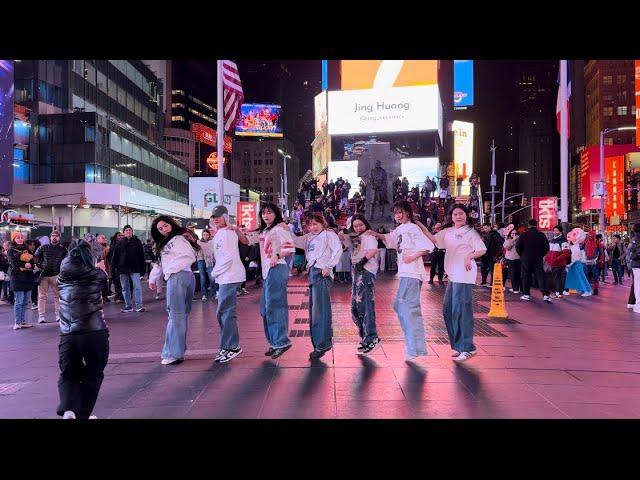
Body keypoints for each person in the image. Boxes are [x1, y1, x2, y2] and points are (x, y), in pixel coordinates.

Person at [367, 200, 434, 361]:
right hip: (405, 273)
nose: (397, 215)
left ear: (408, 213)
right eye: (396, 213)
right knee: (400, 306)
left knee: (408, 309)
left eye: (400, 212)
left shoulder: (413, 228)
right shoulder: (401, 229)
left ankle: (415, 349)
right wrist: (374, 233)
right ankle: (415, 347)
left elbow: (428, 245)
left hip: (412, 273)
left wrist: (413, 256)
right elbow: (389, 239)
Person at [420, 203, 486, 362]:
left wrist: (469, 256)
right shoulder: (448, 232)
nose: (458, 216)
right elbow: (435, 240)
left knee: (461, 310)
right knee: (448, 310)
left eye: (461, 213)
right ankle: (459, 345)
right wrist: (421, 226)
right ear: (451, 216)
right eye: (455, 214)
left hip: (464, 274)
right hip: (453, 275)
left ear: (466, 215)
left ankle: (468, 347)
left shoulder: (470, 232)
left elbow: (482, 249)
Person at [56, 240, 109, 419]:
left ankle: (69, 409)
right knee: (93, 374)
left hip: (68, 334)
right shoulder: (97, 274)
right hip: (94, 331)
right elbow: (105, 288)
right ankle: (83, 415)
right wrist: (100, 268)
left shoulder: (61, 277)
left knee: (68, 373)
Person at [244, 203, 295, 359]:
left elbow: (290, 248)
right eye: (264, 213)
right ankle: (274, 342)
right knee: (265, 308)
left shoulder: (280, 229)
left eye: (270, 213)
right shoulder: (265, 231)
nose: (266, 215)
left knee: (275, 305)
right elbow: (247, 240)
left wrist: (277, 256)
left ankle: (281, 341)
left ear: (276, 214)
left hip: (277, 269)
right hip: (267, 272)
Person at [149, 216, 200, 365]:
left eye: (165, 226)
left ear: (171, 224)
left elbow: (188, 256)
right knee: (180, 316)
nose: (164, 230)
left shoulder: (177, 240)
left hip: (178, 277)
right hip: (184, 276)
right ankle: (177, 351)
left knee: (176, 316)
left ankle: (173, 353)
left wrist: (169, 271)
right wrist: (154, 278)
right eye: (160, 228)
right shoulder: (173, 240)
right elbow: (160, 263)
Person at [293, 213, 342, 360]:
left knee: (320, 311)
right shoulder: (308, 237)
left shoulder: (328, 235)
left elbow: (338, 249)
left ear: (323, 223)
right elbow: (293, 240)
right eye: (310, 225)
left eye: (316, 224)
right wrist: (283, 228)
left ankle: (322, 344)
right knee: (315, 311)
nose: (313, 227)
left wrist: (329, 266)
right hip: (313, 273)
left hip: (322, 273)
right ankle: (320, 344)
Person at [210, 206, 247, 363]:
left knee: (225, 312)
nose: (215, 219)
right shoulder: (222, 233)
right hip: (226, 276)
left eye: (218, 216)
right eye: (214, 217)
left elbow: (227, 258)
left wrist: (214, 273)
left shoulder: (226, 233)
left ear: (225, 217)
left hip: (229, 276)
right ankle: (227, 346)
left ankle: (231, 346)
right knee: (224, 312)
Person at [344, 214, 380, 355]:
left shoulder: (369, 237)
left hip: (365, 272)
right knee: (356, 308)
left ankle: (372, 338)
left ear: (366, 224)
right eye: (355, 226)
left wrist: (362, 262)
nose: (358, 228)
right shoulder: (356, 238)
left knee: (365, 305)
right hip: (356, 272)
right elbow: (344, 237)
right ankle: (365, 337)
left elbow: (372, 251)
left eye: (361, 225)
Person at [34, 230, 68, 323]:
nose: (54, 237)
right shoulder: (43, 247)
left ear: (59, 238)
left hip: (56, 275)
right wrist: (39, 266)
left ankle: (58, 315)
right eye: (53, 236)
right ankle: (41, 316)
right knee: (41, 296)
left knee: (58, 296)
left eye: (56, 236)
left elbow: (66, 262)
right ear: (50, 237)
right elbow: (36, 257)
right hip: (43, 275)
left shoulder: (63, 250)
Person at [112, 225, 146, 313]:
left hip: (135, 268)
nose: (128, 231)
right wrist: (114, 269)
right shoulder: (120, 243)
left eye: (130, 230)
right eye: (126, 230)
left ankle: (139, 306)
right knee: (125, 287)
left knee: (137, 287)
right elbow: (115, 257)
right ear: (124, 232)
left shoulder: (137, 242)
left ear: (132, 232)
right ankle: (128, 306)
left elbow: (141, 256)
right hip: (122, 269)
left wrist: (143, 269)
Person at [516, 219, 551, 303]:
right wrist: (540, 255)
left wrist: (523, 255)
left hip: (526, 258)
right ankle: (545, 295)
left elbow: (518, 247)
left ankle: (526, 294)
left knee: (526, 276)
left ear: (528, 225)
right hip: (538, 258)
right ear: (536, 225)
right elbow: (546, 248)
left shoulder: (523, 235)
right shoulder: (541, 235)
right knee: (540, 276)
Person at [8, 233, 36, 329]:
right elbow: (13, 263)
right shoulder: (11, 250)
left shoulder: (27, 249)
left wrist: (30, 265)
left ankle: (23, 321)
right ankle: (17, 322)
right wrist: (25, 265)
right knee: (19, 301)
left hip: (28, 278)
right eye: (18, 238)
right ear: (14, 239)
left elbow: (33, 262)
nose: (20, 239)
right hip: (17, 278)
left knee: (25, 302)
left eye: (21, 237)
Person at [565, 228, 592, 297]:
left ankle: (586, 290)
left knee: (580, 278)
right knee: (574, 278)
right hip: (575, 264)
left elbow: (575, 259)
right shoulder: (575, 246)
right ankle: (586, 290)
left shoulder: (575, 247)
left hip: (575, 265)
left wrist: (569, 265)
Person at [546, 225, 571, 299]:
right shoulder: (552, 240)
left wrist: (556, 259)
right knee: (556, 279)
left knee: (558, 279)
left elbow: (566, 253)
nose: (554, 232)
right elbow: (549, 252)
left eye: (556, 230)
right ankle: (558, 293)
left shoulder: (563, 241)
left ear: (560, 231)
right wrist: (549, 259)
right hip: (553, 264)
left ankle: (559, 293)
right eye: (554, 230)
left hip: (559, 264)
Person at [480, 223, 503, 287]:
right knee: (483, 268)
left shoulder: (495, 234)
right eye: (484, 228)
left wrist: (497, 255)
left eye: (486, 228)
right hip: (484, 255)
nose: (485, 229)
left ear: (490, 227)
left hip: (492, 255)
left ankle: (492, 283)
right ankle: (484, 281)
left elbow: (499, 245)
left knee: (492, 270)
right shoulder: (484, 234)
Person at [583, 230, 602, 295]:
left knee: (595, 276)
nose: (590, 236)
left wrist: (599, 260)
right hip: (587, 261)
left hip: (594, 261)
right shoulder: (586, 242)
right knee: (587, 275)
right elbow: (581, 248)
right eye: (589, 235)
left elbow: (601, 252)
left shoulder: (597, 243)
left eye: (591, 235)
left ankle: (595, 289)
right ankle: (588, 289)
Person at [503, 229, 522, 293]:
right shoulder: (508, 240)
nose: (513, 235)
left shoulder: (520, 240)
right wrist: (513, 240)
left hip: (519, 258)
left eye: (515, 233)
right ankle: (515, 288)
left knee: (519, 273)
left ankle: (519, 288)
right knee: (513, 273)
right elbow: (507, 247)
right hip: (510, 259)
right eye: (512, 233)